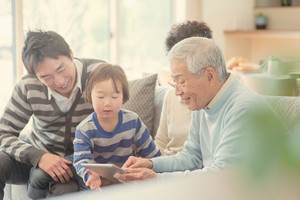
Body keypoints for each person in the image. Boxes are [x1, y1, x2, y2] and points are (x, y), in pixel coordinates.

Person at [115, 37, 280, 182]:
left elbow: (220, 176)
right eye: (175, 82)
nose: (178, 91)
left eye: (182, 81)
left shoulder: (243, 108)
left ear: (209, 75)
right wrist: (151, 164)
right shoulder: (203, 102)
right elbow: (192, 157)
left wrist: (156, 179)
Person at [0, 30, 106, 199]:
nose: (59, 81)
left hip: (83, 162)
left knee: (65, 188)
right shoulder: (28, 86)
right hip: (36, 159)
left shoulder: (98, 74)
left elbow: (121, 122)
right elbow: (4, 134)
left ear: (71, 54)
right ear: (35, 76)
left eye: (61, 69)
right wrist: (39, 156)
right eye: (46, 77)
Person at [73, 64, 160, 190]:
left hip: (127, 179)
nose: (107, 103)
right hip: (100, 181)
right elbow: (81, 162)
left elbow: (152, 154)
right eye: (101, 97)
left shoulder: (133, 120)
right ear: (90, 96)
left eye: (114, 97)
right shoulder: (84, 129)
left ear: (123, 97)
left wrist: (156, 170)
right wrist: (90, 176)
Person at [155, 21, 213, 156]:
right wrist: (152, 164)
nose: (178, 91)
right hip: (166, 167)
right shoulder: (171, 95)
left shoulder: (214, 102)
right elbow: (161, 141)